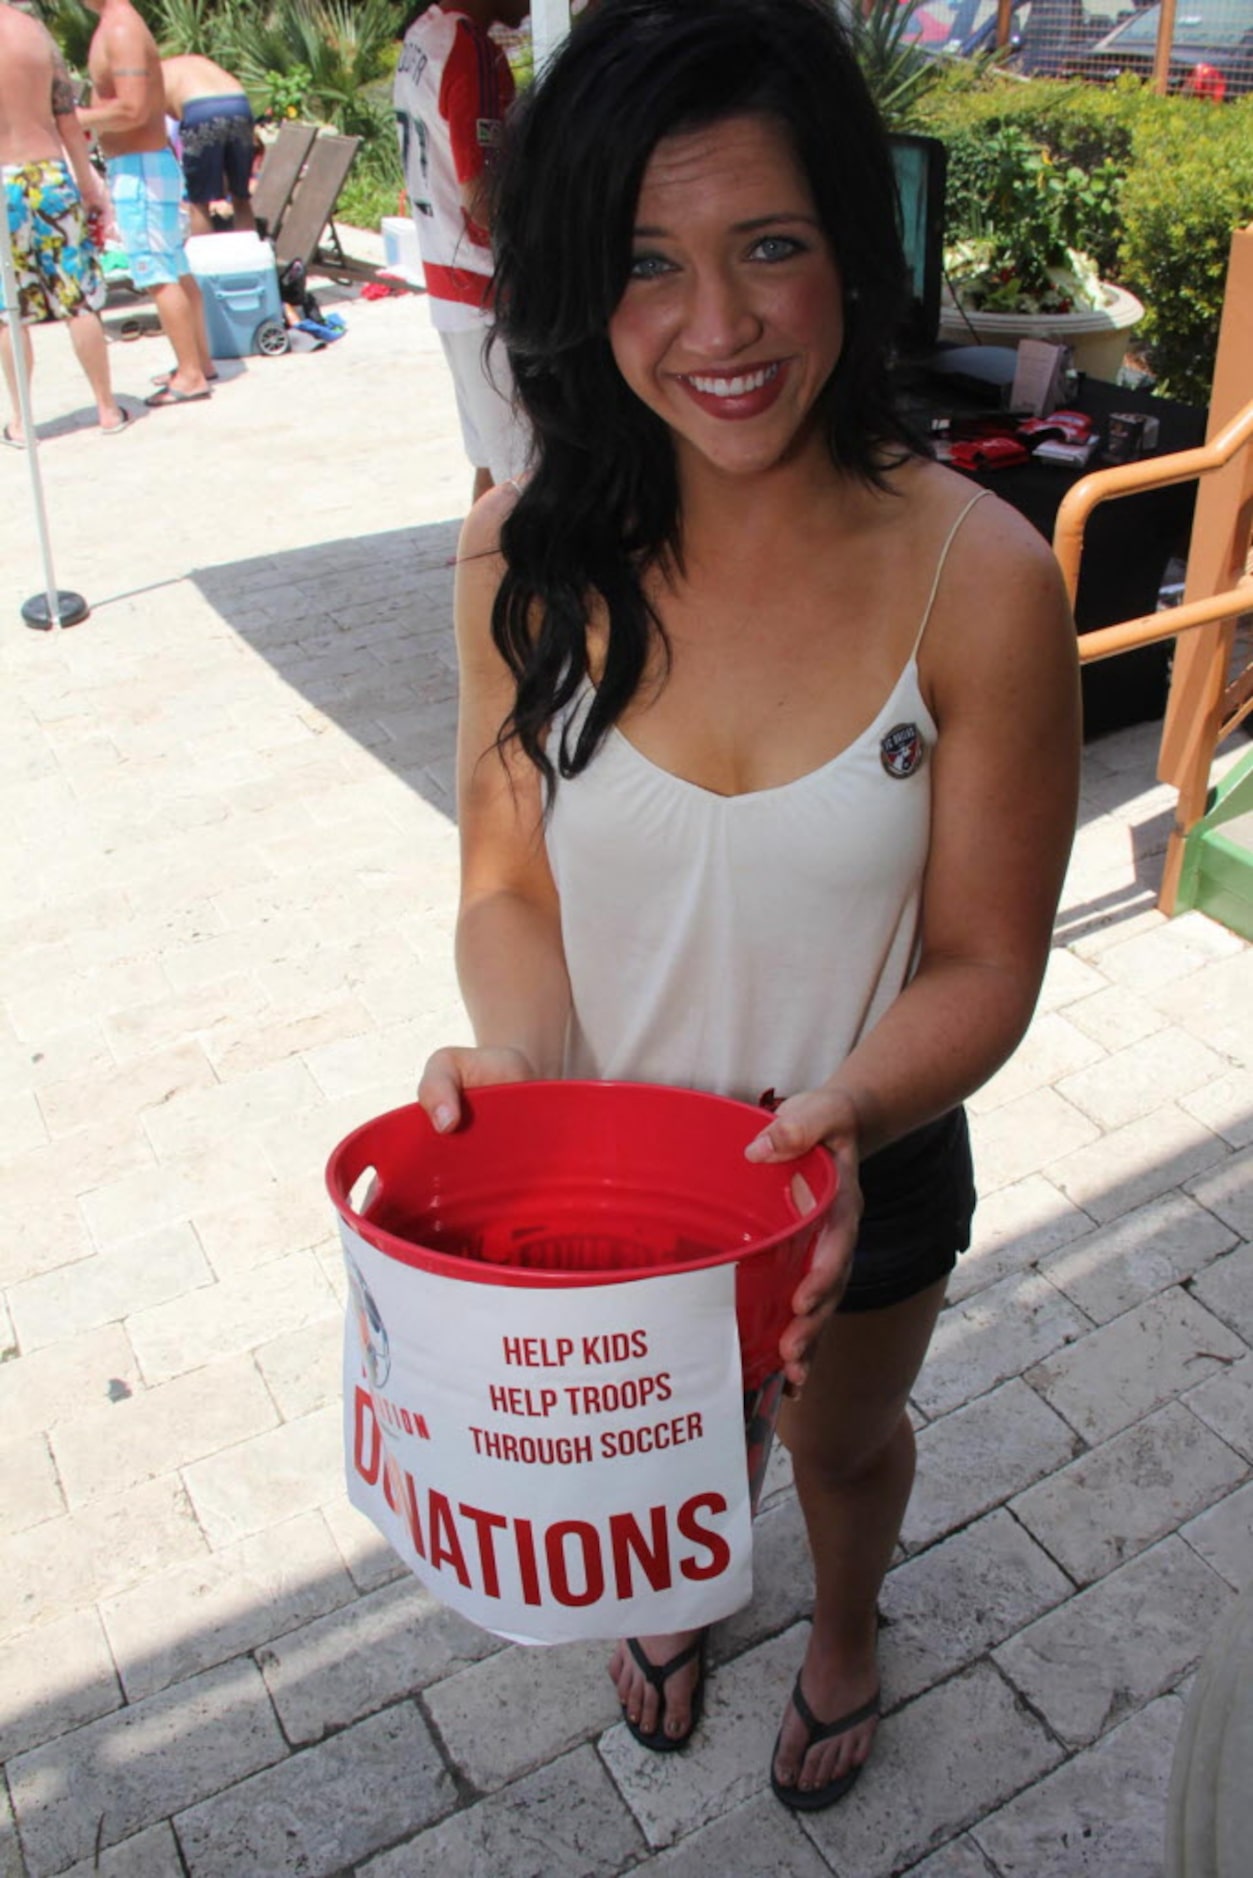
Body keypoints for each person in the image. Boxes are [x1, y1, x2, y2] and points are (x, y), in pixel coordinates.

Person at [418, 0, 1080, 1815]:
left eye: (768, 248)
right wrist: (516, 1061)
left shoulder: (980, 575)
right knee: (657, 1443)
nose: (715, 330)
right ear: (568, 278)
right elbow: (501, 874)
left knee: (838, 1446)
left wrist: (846, 1118)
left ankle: (847, 1627)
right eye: (643, 263)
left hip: (861, 1161)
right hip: (608, 1175)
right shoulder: (514, 549)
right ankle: (667, 1588)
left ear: (851, 258)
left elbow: (981, 964)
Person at [393, 0, 531, 503]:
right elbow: (484, 196)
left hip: (452, 286)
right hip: (490, 290)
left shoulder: (422, 37)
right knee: (527, 485)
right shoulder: (468, 46)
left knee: (495, 475)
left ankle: (476, 582)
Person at [0, 0, 126, 444]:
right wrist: (89, 183)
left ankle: (21, 420)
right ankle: (107, 408)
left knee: (6, 308)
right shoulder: (34, 33)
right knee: (77, 298)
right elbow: (67, 118)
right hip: (50, 174)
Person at [77, 0, 214, 407]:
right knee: (173, 264)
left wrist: (72, 118)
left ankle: (190, 374)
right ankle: (199, 362)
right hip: (144, 165)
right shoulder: (115, 24)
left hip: (140, 170)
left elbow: (134, 109)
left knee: (157, 271)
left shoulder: (121, 28)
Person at [160, 53, 256, 238]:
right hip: (239, 104)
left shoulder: (151, 79)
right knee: (241, 198)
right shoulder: (191, 63)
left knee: (199, 203)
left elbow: (159, 135)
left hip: (200, 109)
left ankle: (203, 265)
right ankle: (248, 262)